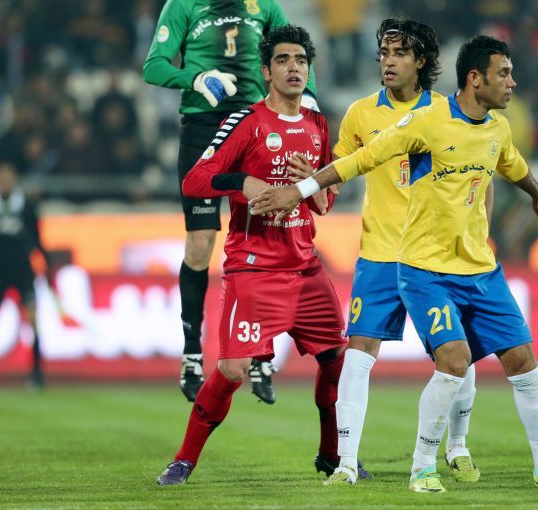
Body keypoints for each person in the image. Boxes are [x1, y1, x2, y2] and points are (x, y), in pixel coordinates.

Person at [250, 35, 538, 493]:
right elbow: (362, 159)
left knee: (524, 362)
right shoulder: (426, 121)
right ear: (476, 79)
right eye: (504, 74)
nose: (512, 83)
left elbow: (512, 165)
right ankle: (414, 467)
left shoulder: (497, 127)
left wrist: (536, 194)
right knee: (451, 359)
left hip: (480, 268)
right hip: (422, 267)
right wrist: (299, 192)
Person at [156, 26, 370, 485]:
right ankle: (183, 460)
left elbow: (324, 204)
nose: (294, 68)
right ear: (266, 71)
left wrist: (311, 184)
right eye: (284, 60)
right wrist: (242, 182)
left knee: (338, 359)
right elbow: (195, 180)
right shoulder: (246, 122)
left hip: (306, 266)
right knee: (232, 370)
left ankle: (332, 454)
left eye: (301, 60)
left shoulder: (317, 124)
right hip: (254, 268)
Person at [311, 18, 492, 487]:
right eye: (384, 54)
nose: (388, 62)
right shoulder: (360, 114)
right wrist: (312, 187)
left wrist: (476, 238)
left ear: (422, 61)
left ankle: (458, 447)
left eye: (399, 53)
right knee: (358, 352)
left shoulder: (449, 113)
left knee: (460, 354)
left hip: (437, 257)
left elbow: (482, 179)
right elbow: (339, 174)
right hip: (380, 253)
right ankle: (346, 463)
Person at [142, 0, 318, 403]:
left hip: (255, 125)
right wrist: (196, 78)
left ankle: (261, 354)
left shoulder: (264, 6)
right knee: (200, 245)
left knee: (266, 243)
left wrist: (308, 98)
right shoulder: (184, 5)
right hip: (202, 127)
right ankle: (192, 353)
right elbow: (153, 66)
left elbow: (293, 53)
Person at [0, 163, 50, 390]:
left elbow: (37, 241)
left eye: (7, 178)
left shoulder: (27, 207)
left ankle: (36, 376)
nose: (4, 182)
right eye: (1, 178)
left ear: (14, 180)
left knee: (34, 322)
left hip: (23, 271)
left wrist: (45, 267)